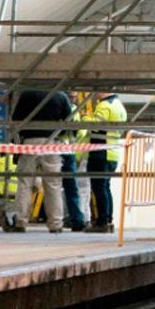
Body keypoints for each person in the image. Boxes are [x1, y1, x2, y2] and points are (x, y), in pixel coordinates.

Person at [11, 89, 72, 233]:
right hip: (51, 142)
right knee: (53, 184)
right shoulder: (60, 95)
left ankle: (20, 221)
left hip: (29, 142)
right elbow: (69, 121)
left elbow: (15, 118)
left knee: (25, 182)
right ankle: (56, 224)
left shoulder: (26, 94)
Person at [87, 92, 127, 233]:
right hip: (112, 152)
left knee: (99, 188)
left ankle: (102, 222)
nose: (95, 93)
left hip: (101, 152)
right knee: (105, 187)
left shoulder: (104, 105)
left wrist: (85, 118)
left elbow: (95, 126)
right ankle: (108, 220)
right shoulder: (119, 105)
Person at [60, 93, 88, 232]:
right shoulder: (75, 109)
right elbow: (80, 132)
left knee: (56, 187)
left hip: (60, 149)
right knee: (71, 188)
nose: (73, 99)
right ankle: (76, 219)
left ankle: (65, 219)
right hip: (68, 151)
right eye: (72, 97)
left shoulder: (62, 106)